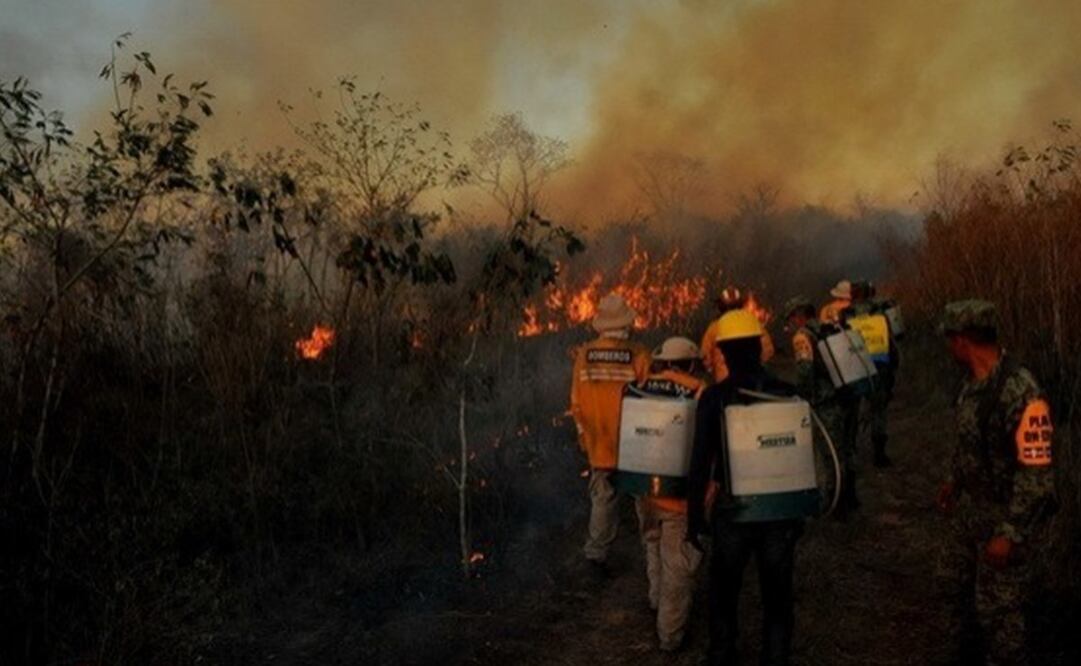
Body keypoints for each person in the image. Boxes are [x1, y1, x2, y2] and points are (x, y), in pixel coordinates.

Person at [937, 300, 1056, 665]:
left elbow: (1036, 476)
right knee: (955, 594)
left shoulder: (1021, 393)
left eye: (950, 339)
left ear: (963, 341)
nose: (948, 347)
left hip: (1004, 521)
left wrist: (1010, 532)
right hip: (970, 515)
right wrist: (954, 482)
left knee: (1001, 618)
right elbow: (971, 443)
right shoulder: (971, 384)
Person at [687, 309, 805, 665]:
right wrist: (797, 513)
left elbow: (698, 464)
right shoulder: (787, 393)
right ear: (758, 347)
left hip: (733, 513)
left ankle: (722, 653)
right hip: (779, 513)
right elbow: (799, 458)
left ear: (722, 351)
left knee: (724, 590)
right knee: (777, 592)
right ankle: (776, 655)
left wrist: (694, 519)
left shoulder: (713, 399)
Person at [631, 336, 707, 652]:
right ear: (691, 363)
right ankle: (670, 635)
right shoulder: (700, 392)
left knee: (652, 543)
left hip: (644, 490)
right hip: (679, 496)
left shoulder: (639, 387)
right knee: (678, 563)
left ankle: (654, 598)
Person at [570, 293, 651, 567]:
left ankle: (595, 555)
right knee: (645, 500)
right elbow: (650, 399)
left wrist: (584, 436)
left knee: (602, 499)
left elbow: (576, 402)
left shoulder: (584, 354)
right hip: (634, 443)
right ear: (626, 324)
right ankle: (652, 551)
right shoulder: (638, 354)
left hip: (599, 442)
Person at [784, 296, 861, 517]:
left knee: (830, 455)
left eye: (791, 318)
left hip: (825, 402)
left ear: (799, 315)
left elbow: (805, 371)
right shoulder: (830, 328)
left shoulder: (802, 337)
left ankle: (836, 504)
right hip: (845, 394)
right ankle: (851, 496)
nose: (789, 324)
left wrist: (802, 395)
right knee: (847, 448)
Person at [842, 281, 899, 468]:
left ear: (852, 295)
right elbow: (893, 340)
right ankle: (880, 454)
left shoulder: (846, 315)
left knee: (851, 411)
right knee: (878, 411)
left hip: (854, 367)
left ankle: (849, 451)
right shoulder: (881, 312)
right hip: (879, 365)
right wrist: (893, 366)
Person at [700, 286, 775, 382]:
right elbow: (768, 351)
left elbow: (705, 356)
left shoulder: (714, 327)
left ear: (721, 306)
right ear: (741, 305)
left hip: (725, 383)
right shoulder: (752, 322)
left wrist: (713, 370)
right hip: (751, 381)